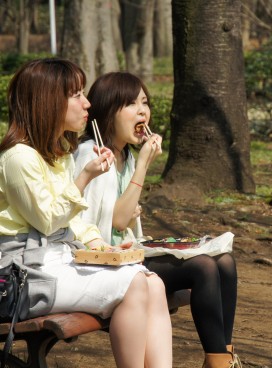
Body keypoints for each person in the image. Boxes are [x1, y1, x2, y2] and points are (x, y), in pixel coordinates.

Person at [0, 59, 172, 368]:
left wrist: (98, 246)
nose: (87, 103)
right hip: (24, 275)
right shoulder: (18, 158)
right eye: (76, 94)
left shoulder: (57, 155)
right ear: (49, 102)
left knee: (154, 283)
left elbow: (74, 219)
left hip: (56, 260)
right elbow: (48, 219)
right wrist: (85, 178)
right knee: (134, 284)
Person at [74, 71, 242, 368]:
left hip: (128, 254)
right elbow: (115, 222)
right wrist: (143, 167)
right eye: (131, 104)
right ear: (109, 111)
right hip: (103, 263)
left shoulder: (124, 155)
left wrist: (135, 177)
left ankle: (222, 358)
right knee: (203, 267)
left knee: (224, 261)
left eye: (145, 102)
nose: (143, 111)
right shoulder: (94, 152)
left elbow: (122, 218)